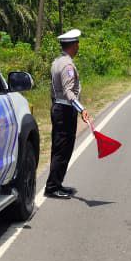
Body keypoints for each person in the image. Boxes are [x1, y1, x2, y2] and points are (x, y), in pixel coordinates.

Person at [45, 28, 92, 199]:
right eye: (77, 44)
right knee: (62, 150)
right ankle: (52, 187)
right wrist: (82, 109)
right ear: (73, 46)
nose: (78, 47)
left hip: (59, 108)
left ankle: (56, 184)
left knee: (60, 148)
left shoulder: (57, 61)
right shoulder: (68, 66)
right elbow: (68, 91)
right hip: (64, 111)